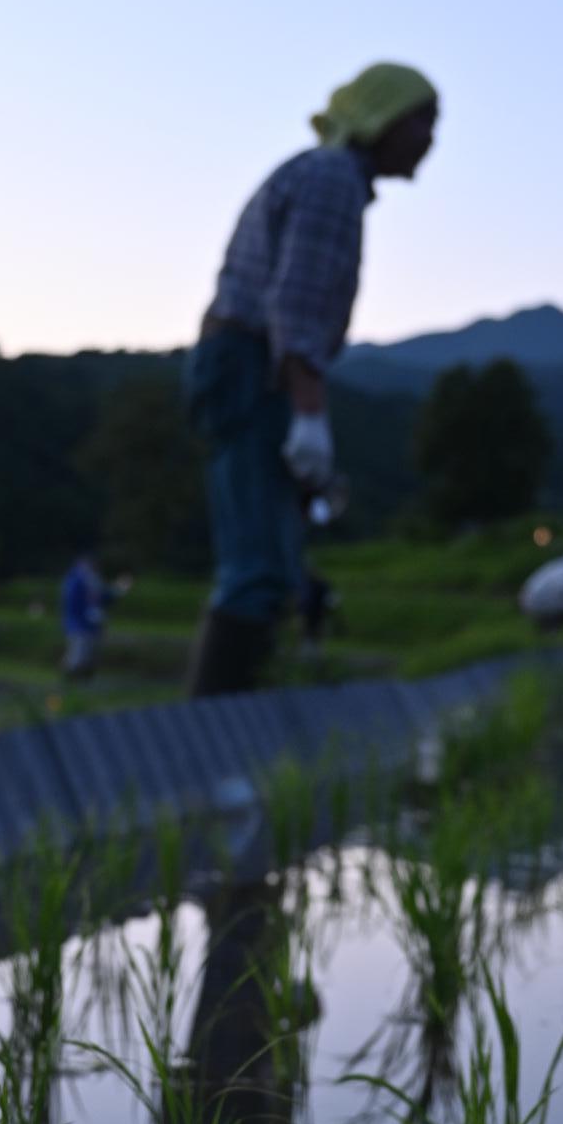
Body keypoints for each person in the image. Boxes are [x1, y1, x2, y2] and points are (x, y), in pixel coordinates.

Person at [183, 62, 439, 695]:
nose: (431, 140)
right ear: (382, 115)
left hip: (243, 364)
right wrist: (310, 414)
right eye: (422, 120)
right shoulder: (332, 180)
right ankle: (215, 728)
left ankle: (235, 715)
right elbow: (296, 305)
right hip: (251, 366)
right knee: (259, 567)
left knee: (272, 560)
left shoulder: (328, 177)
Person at [59, 551, 116, 678]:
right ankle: (69, 682)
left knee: (89, 655)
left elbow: (101, 598)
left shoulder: (90, 579)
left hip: (91, 625)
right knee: (77, 655)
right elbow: (74, 604)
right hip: (79, 624)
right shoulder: (76, 580)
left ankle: (82, 683)